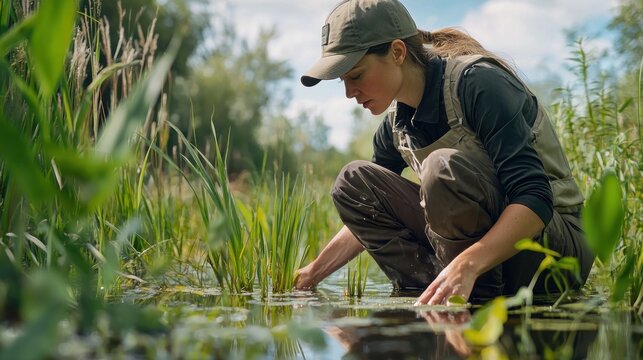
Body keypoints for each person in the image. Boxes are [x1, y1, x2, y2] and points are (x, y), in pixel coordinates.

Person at [293, 0, 594, 305]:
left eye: (355, 75)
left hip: (554, 250)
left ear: (397, 52)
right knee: (353, 183)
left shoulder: (479, 85)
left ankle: (472, 292)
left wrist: (469, 264)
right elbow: (368, 210)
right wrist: (313, 273)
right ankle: (433, 292)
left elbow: (535, 199)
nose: (348, 92)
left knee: (441, 169)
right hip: (478, 261)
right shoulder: (395, 126)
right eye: (343, 81)